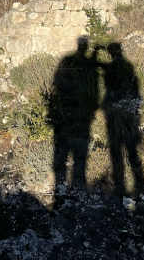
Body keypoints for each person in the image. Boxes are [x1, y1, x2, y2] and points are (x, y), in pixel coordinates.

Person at [49, 37, 100, 192]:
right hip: (77, 105)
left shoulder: (68, 60)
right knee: (76, 141)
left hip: (74, 105)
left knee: (68, 140)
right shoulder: (76, 62)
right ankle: (76, 180)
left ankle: (66, 179)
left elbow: (58, 80)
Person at [100, 42, 144, 197]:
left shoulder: (113, 67)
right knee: (130, 141)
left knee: (117, 144)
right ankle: (136, 177)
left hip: (118, 105)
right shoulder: (127, 65)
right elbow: (135, 85)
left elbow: (109, 85)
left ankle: (121, 181)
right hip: (128, 104)